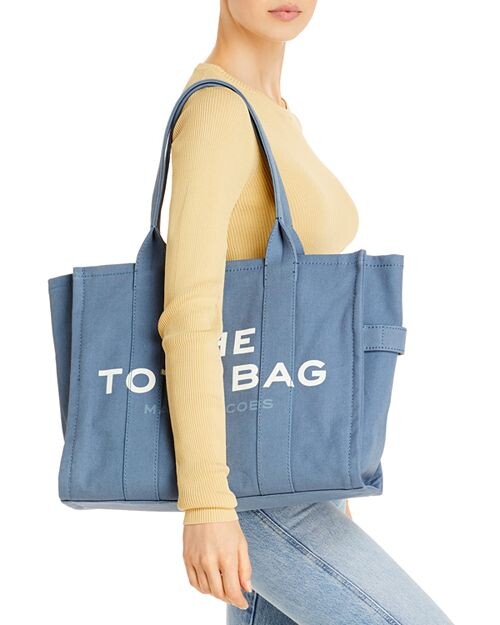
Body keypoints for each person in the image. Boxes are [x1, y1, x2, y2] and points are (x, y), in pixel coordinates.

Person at [157, 1, 455, 623]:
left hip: (290, 474)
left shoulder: (272, 112)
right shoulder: (218, 110)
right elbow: (189, 313)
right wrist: (207, 505)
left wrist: (327, 483)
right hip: (250, 487)